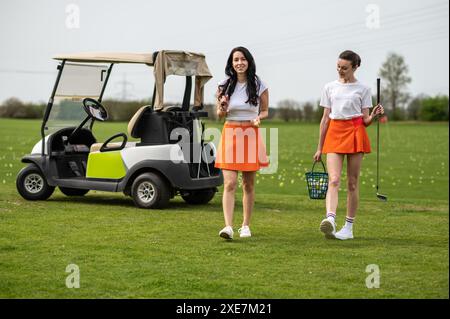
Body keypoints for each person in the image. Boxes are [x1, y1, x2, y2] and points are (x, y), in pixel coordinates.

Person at [314, 50, 384, 240]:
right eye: (338, 66)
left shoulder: (363, 89)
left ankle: (348, 228)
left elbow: (365, 121)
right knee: (334, 179)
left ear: (355, 67)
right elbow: (324, 119)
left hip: (355, 132)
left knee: (352, 183)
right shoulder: (329, 87)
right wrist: (319, 147)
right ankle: (330, 219)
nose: (340, 70)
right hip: (335, 133)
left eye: (344, 68)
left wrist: (374, 116)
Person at [215, 46, 269, 240]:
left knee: (248, 184)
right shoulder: (224, 84)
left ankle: (245, 225)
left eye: (243, 59)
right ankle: (228, 226)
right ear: (231, 63)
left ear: (249, 62)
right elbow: (219, 115)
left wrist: (258, 119)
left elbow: (264, 110)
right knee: (229, 183)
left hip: (250, 134)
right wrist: (222, 107)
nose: (239, 63)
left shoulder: (258, 84)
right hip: (230, 133)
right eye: (236, 59)